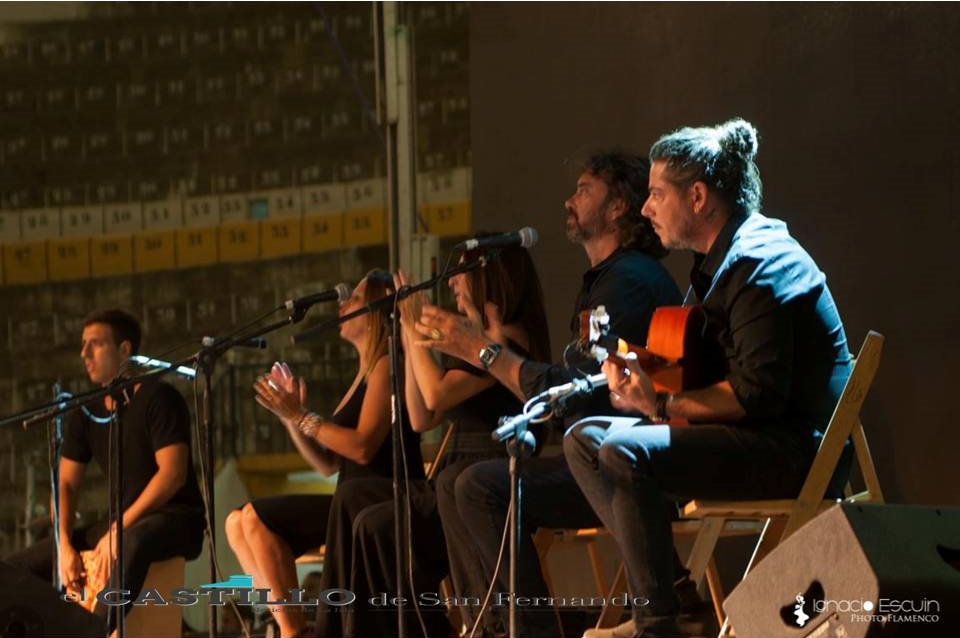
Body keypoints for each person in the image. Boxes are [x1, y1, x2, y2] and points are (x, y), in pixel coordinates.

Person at [564, 118, 853, 638]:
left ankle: (659, 626)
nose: (646, 208)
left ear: (697, 197)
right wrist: (642, 370)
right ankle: (675, 598)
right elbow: (718, 370)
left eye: (657, 194)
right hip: (755, 433)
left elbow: (754, 394)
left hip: (794, 450)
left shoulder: (759, 263)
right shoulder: (722, 262)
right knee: (584, 439)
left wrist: (658, 405)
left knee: (623, 450)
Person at [415, 151, 682, 637]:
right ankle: (494, 627)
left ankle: (523, 631)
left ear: (618, 207)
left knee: (477, 486)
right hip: (597, 455)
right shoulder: (609, 281)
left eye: (583, 190)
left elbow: (579, 394)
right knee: (464, 483)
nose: (568, 201)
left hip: (624, 465)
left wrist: (482, 351)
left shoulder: (628, 283)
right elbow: (575, 390)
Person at [330, 241, 552, 638]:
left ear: (489, 278)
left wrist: (413, 329)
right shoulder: (478, 342)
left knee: (379, 527)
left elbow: (434, 395)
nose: (452, 285)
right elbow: (421, 417)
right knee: (360, 507)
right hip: (452, 479)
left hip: (481, 482)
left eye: (461, 275)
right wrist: (409, 332)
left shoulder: (504, 344)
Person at [225, 270, 423, 638]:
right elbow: (328, 463)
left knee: (253, 519)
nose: (342, 306)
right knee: (235, 524)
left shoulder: (387, 364)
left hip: (376, 499)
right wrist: (290, 418)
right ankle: (289, 627)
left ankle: (293, 632)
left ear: (376, 312)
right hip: (349, 499)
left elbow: (362, 447)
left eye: (355, 299)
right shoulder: (364, 371)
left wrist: (301, 416)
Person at [5, 309, 204, 632]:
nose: (84, 354)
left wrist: (117, 530)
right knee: (15, 567)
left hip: (176, 517)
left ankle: (92, 631)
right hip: (123, 524)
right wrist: (64, 544)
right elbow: (66, 484)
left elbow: (172, 475)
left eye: (95, 344)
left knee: (131, 543)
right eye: (83, 345)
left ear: (124, 349)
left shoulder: (159, 397)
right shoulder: (86, 411)